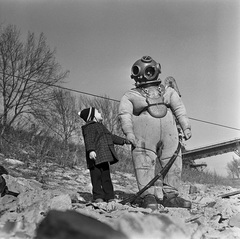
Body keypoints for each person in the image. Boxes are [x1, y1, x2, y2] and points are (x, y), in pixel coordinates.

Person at [118, 56, 192, 210]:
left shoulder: (168, 92)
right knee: (143, 163)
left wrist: (186, 127)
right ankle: (148, 196)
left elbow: (179, 109)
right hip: (144, 138)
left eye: (151, 70)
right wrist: (129, 132)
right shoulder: (131, 95)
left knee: (174, 164)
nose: (148, 73)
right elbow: (124, 114)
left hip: (170, 136)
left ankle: (171, 196)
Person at [79, 107, 131, 203]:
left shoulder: (101, 126)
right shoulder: (89, 127)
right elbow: (89, 139)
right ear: (92, 116)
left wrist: (123, 141)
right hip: (94, 158)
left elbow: (111, 137)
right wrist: (91, 150)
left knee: (106, 178)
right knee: (96, 178)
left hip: (104, 157)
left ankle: (109, 197)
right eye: (98, 112)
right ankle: (98, 197)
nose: (100, 113)